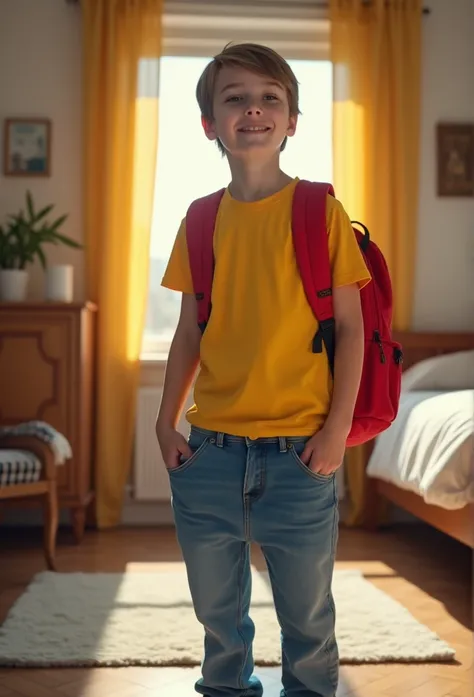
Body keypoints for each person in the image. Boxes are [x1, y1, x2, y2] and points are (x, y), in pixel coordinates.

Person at [156, 43, 371, 697]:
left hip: (300, 456)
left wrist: (336, 431)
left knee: (307, 620)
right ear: (210, 124)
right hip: (209, 455)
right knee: (218, 619)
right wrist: (165, 421)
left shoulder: (321, 213)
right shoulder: (198, 220)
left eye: (270, 97)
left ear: (292, 120)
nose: (254, 108)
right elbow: (192, 329)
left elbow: (355, 329)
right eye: (235, 98)